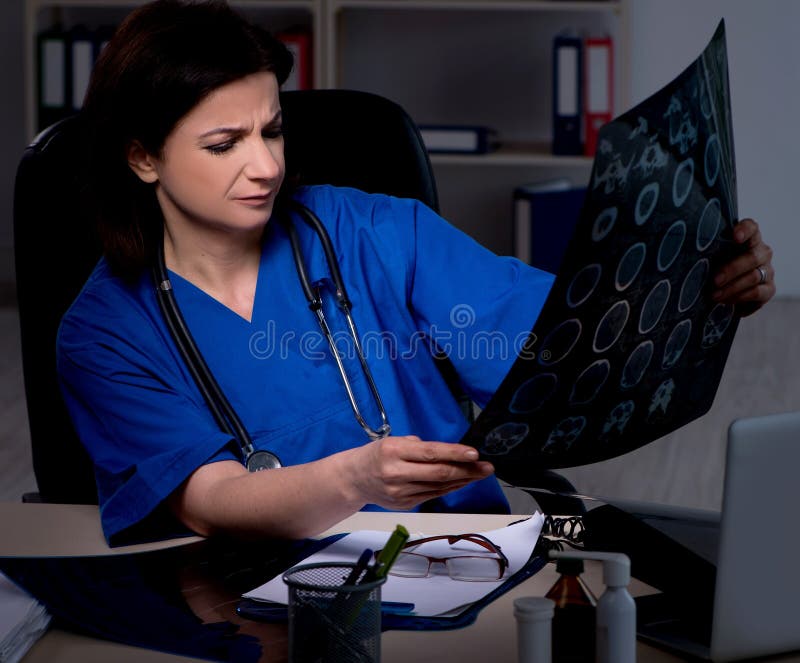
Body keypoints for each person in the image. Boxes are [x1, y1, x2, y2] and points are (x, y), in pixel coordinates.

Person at [57, 0, 775, 545]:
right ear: (143, 157)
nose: (267, 165)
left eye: (272, 129)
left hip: (461, 557)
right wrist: (356, 479)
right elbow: (208, 498)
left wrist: (701, 286)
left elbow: (560, 344)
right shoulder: (104, 332)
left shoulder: (370, 231)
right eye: (224, 143)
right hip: (266, 599)